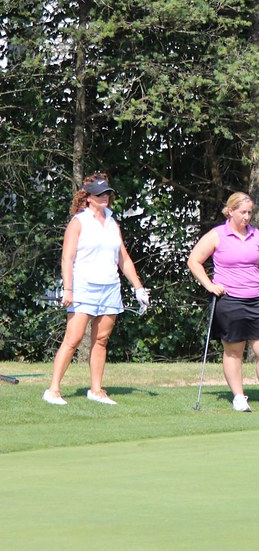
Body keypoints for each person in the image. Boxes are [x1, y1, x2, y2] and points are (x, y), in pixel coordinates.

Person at [44, 173, 150, 406]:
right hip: (84, 286)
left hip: (110, 287)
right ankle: (53, 390)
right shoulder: (79, 222)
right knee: (73, 339)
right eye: (100, 194)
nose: (105, 197)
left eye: (107, 193)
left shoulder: (112, 222)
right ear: (89, 198)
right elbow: (67, 258)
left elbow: (123, 258)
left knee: (101, 339)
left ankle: (96, 390)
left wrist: (138, 288)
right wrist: (68, 289)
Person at [187, 192, 259, 412]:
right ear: (230, 211)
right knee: (234, 350)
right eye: (243, 212)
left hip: (257, 299)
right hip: (230, 300)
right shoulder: (217, 235)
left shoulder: (256, 235)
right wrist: (209, 285)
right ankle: (239, 397)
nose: (247, 217)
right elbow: (194, 261)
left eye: (250, 212)